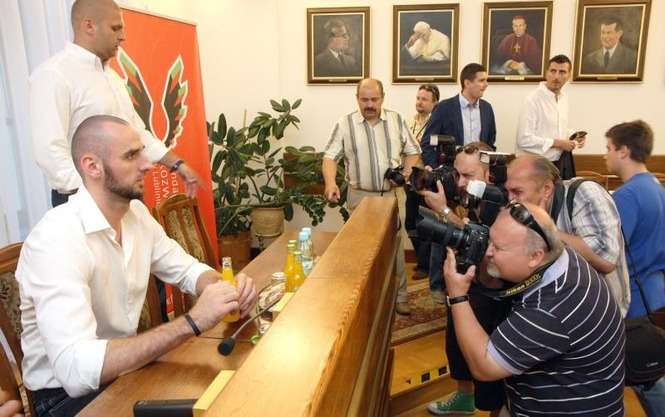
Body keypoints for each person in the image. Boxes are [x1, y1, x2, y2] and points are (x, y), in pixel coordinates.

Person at [16, 115, 258, 417]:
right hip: (65, 400)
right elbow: (76, 372)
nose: (147, 165)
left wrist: (225, 289)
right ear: (92, 166)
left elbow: (187, 269)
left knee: (238, 392)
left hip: (125, 372)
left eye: (142, 152)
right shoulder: (56, 239)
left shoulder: (137, 215)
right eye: (131, 156)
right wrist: (193, 321)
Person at [443, 202, 625, 416]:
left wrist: (457, 296)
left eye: (498, 248)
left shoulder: (549, 309)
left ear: (535, 256)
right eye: (489, 240)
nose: (488, 251)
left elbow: (484, 366)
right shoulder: (564, 257)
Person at [29, 0, 201, 208]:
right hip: (84, 200)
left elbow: (137, 132)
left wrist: (178, 164)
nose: (123, 36)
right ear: (89, 26)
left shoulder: (113, 78)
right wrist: (97, 196)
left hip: (124, 192)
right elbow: (50, 151)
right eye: (115, 28)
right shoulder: (54, 74)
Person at [421, 142, 508, 416]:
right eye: (457, 174)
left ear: (489, 175)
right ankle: (464, 397)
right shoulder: (467, 194)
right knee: (456, 340)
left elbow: (484, 240)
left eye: (468, 175)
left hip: (493, 289)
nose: (460, 182)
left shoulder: (500, 200)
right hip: (469, 279)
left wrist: (444, 211)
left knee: (486, 352)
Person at [322, 78, 421, 316]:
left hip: (392, 196)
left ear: (382, 98)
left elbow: (413, 151)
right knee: (361, 251)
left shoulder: (396, 120)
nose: (369, 104)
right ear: (357, 99)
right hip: (360, 197)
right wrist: (330, 182)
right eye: (364, 99)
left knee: (395, 248)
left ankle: (400, 297)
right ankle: (365, 298)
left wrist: (405, 173)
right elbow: (329, 157)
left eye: (374, 99)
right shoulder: (345, 123)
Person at [505, 154, 630, 316]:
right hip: (555, 310)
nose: (510, 199)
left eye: (517, 191)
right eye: (507, 191)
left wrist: (542, 227)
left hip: (598, 315)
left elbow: (606, 259)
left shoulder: (584, 192)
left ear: (546, 189)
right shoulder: (523, 208)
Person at [604, 120, 665, 417]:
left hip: (633, 299)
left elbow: (609, 253)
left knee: (635, 376)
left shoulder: (626, 196)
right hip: (655, 291)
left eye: (608, 148)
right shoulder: (657, 187)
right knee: (648, 372)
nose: (605, 155)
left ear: (624, 151)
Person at [516, 55, 585, 176]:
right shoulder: (532, 100)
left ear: (569, 75)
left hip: (558, 164)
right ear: (546, 73)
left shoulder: (563, 98)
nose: (556, 76)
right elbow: (523, 139)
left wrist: (574, 136)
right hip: (534, 167)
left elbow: (556, 129)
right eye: (553, 71)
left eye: (562, 72)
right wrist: (558, 143)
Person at [421, 63, 496, 163]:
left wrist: (486, 166)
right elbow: (428, 142)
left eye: (486, 80)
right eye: (481, 80)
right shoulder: (444, 108)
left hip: (479, 169)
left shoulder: (487, 109)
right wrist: (435, 167)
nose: (486, 84)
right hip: (451, 168)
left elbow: (490, 144)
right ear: (467, 83)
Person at [406, 84, 439, 280]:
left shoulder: (436, 124)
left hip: (426, 180)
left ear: (435, 103)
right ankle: (421, 259)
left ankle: (425, 265)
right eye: (418, 98)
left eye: (424, 99)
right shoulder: (409, 122)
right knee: (410, 222)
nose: (419, 102)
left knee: (425, 223)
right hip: (410, 179)